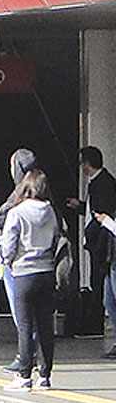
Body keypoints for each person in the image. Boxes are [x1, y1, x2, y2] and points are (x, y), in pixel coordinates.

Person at [0, 172, 59, 390]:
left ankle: (24, 375)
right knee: (45, 325)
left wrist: (7, 261)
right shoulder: (51, 211)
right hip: (46, 271)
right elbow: (55, 237)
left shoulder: (17, 212)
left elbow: (8, 245)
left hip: (24, 273)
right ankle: (45, 375)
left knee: (25, 326)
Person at [68, 146, 116, 348]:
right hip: (102, 244)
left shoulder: (103, 183)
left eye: (82, 163)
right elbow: (92, 211)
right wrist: (80, 206)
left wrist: (94, 237)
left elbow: (101, 214)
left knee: (105, 288)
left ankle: (95, 324)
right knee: (105, 290)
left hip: (105, 245)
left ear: (87, 164)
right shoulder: (97, 182)